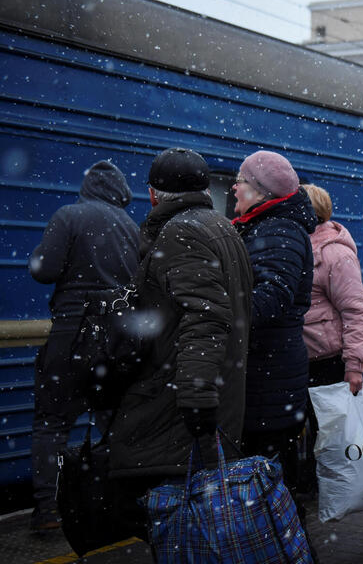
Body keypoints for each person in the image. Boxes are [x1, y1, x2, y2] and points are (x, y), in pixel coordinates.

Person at [107, 148, 252, 538]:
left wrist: (196, 396)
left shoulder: (180, 232)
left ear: (154, 194)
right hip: (212, 390)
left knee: (180, 522)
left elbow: (205, 317)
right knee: (203, 518)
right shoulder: (223, 227)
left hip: (176, 400)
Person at [27, 160, 140, 530]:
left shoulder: (69, 215)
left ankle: (48, 513)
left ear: (88, 187)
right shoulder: (131, 227)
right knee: (111, 421)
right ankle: (111, 507)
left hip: (72, 332)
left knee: (52, 422)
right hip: (116, 338)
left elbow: (44, 270)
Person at [232, 150, 317, 520]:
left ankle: (281, 546)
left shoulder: (278, 231)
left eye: (242, 181)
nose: (234, 187)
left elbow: (270, 300)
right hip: (269, 375)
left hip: (269, 378)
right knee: (264, 483)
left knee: (264, 485)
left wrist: (215, 310)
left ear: (261, 192)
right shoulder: (265, 226)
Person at [298, 183, 363, 528]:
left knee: (339, 438)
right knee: (315, 436)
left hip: (327, 362)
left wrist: (353, 366)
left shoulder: (334, 254)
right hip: (298, 360)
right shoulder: (297, 245)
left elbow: (357, 312)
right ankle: (310, 496)